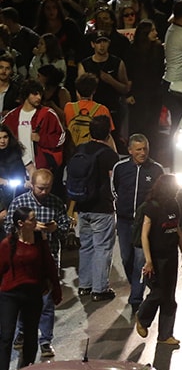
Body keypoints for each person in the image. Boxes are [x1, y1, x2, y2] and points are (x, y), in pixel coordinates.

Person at [3, 168, 68, 359]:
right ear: (32, 184)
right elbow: (8, 227)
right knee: (25, 302)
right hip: (23, 262)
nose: (44, 192)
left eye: (48, 188)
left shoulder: (56, 203)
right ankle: (22, 333)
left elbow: (65, 229)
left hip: (48, 258)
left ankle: (46, 341)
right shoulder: (19, 203)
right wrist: (30, 228)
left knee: (47, 303)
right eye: (41, 188)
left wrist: (56, 228)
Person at [0, 207, 61, 370]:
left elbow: (48, 264)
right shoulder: (7, 244)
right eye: (32, 220)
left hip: (33, 292)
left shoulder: (39, 241)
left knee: (31, 335)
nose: (36, 222)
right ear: (21, 223)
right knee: (6, 335)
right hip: (10, 294)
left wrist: (55, 288)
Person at [65, 114, 120, 302]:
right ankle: (100, 289)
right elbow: (114, 181)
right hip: (102, 207)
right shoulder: (109, 155)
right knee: (103, 247)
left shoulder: (80, 149)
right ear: (107, 133)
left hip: (82, 205)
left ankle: (85, 286)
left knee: (86, 246)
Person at [133, 174, 182, 346]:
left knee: (169, 298)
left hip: (171, 255)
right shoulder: (152, 207)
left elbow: (176, 228)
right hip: (156, 258)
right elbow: (144, 235)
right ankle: (142, 318)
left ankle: (165, 335)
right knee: (158, 292)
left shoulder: (174, 205)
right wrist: (148, 261)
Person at [112, 133, 163, 310]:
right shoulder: (120, 168)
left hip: (145, 223)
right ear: (130, 150)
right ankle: (136, 285)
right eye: (139, 149)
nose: (143, 153)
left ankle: (135, 299)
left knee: (140, 260)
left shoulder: (156, 169)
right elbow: (114, 189)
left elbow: (161, 194)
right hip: (125, 222)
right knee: (127, 258)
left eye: (145, 149)